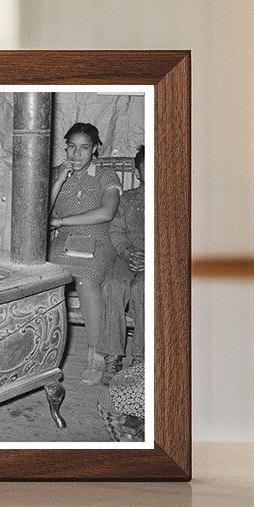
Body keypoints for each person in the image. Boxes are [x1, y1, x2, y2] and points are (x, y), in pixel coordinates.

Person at [47, 122, 122, 387]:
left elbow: (107, 213)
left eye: (84, 148)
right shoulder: (59, 173)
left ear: (95, 149)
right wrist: (58, 180)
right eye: (71, 147)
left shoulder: (106, 174)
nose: (76, 154)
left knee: (85, 280)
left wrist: (62, 221)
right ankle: (44, 351)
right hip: (65, 242)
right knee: (46, 279)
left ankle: (96, 353)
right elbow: (41, 211)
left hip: (98, 240)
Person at [103, 144, 146, 383]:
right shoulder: (126, 199)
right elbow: (116, 231)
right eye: (146, 168)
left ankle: (140, 356)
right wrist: (128, 252)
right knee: (113, 285)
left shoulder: (172, 200)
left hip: (154, 260)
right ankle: (113, 355)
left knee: (143, 289)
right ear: (137, 172)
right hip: (127, 256)